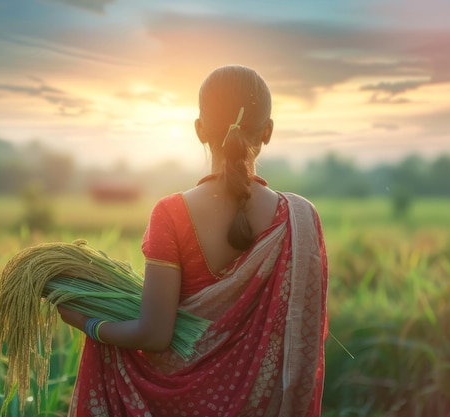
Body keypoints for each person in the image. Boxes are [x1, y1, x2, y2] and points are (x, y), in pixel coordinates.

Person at [58, 64, 329, 417]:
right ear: (268, 132)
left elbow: (154, 335)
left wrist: (88, 322)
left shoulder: (172, 214)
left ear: (200, 130)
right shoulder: (300, 219)